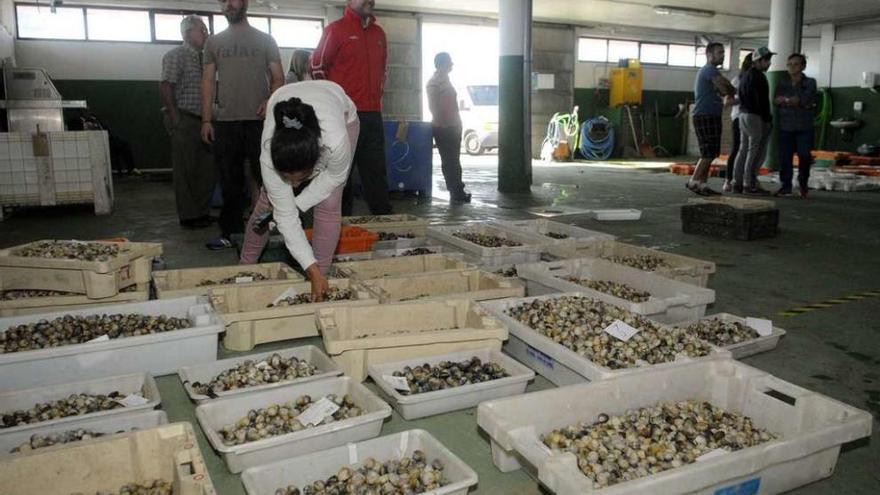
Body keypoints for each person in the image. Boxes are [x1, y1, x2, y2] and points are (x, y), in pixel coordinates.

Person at [240, 81, 359, 301]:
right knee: (267, 204)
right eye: (287, 178)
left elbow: (333, 177)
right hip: (286, 101)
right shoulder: (268, 156)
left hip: (341, 114)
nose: (294, 186)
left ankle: (320, 279)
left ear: (315, 162)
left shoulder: (335, 143)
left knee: (330, 203)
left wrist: (293, 206)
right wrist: (284, 211)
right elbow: (286, 218)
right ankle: (243, 269)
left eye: (300, 179)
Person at [201, 0, 284, 249]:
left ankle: (278, 226)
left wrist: (270, 100)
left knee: (268, 178)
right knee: (230, 183)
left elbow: (278, 78)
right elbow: (207, 82)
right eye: (223, 1)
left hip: (258, 122)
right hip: (225, 123)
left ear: (245, 3)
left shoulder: (265, 40)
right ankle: (231, 233)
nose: (228, 4)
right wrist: (206, 119)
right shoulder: (213, 42)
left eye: (233, 0)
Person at [311, 0, 392, 216]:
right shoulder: (335, 30)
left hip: (373, 115)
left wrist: (376, 97)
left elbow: (383, 71)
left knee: (376, 175)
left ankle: (387, 228)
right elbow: (317, 67)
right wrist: (335, 104)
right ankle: (336, 231)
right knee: (340, 178)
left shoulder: (379, 34)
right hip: (343, 117)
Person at [160, 15, 215, 229]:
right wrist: (175, 117)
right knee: (186, 170)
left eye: (205, 29)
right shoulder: (176, 56)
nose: (205, 33)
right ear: (187, 33)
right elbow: (166, 86)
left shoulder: (205, 59)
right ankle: (189, 216)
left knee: (206, 169)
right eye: (201, 29)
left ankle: (202, 212)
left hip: (204, 121)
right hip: (184, 117)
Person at [688, 42, 736, 196]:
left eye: (723, 53)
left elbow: (727, 89)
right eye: (719, 53)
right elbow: (726, 88)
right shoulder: (709, 70)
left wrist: (728, 88)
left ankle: (702, 184)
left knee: (712, 152)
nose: (722, 56)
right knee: (708, 152)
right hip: (705, 115)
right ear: (709, 55)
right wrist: (727, 88)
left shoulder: (713, 72)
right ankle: (694, 181)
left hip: (712, 115)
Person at [426, 52, 470, 203]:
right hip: (444, 128)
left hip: (453, 126)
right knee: (450, 160)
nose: (452, 64)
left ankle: (458, 190)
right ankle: (456, 192)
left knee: (454, 160)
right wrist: (442, 123)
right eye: (449, 62)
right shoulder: (434, 82)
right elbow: (433, 106)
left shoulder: (446, 80)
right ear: (442, 64)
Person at [733, 46, 775, 195]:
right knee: (755, 151)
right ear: (759, 60)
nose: (769, 63)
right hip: (754, 116)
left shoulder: (745, 76)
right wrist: (768, 120)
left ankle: (737, 182)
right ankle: (749, 184)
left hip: (742, 115)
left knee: (743, 150)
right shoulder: (759, 77)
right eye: (767, 60)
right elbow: (762, 102)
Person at [774, 53, 817, 198]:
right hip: (786, 126)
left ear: (803, 66)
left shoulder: (810, 82)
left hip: (804, 126)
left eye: (796, 64)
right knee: (784, 158)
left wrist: (787, 101)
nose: (792, 67)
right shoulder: (783, 83)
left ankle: (803, 183)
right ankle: (785, 186)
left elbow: (803, 100)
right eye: (790, 64)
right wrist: (790, 100)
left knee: (804, 156)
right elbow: (776, 100)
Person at [723, 53, 752, 193]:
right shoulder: (737, 80)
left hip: (753, 118)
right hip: (738, 118)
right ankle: (729, 180)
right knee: (737, 149)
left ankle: (746, 180)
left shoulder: (757, 80)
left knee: (750, 151)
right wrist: (744, 99)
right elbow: (727, 101)